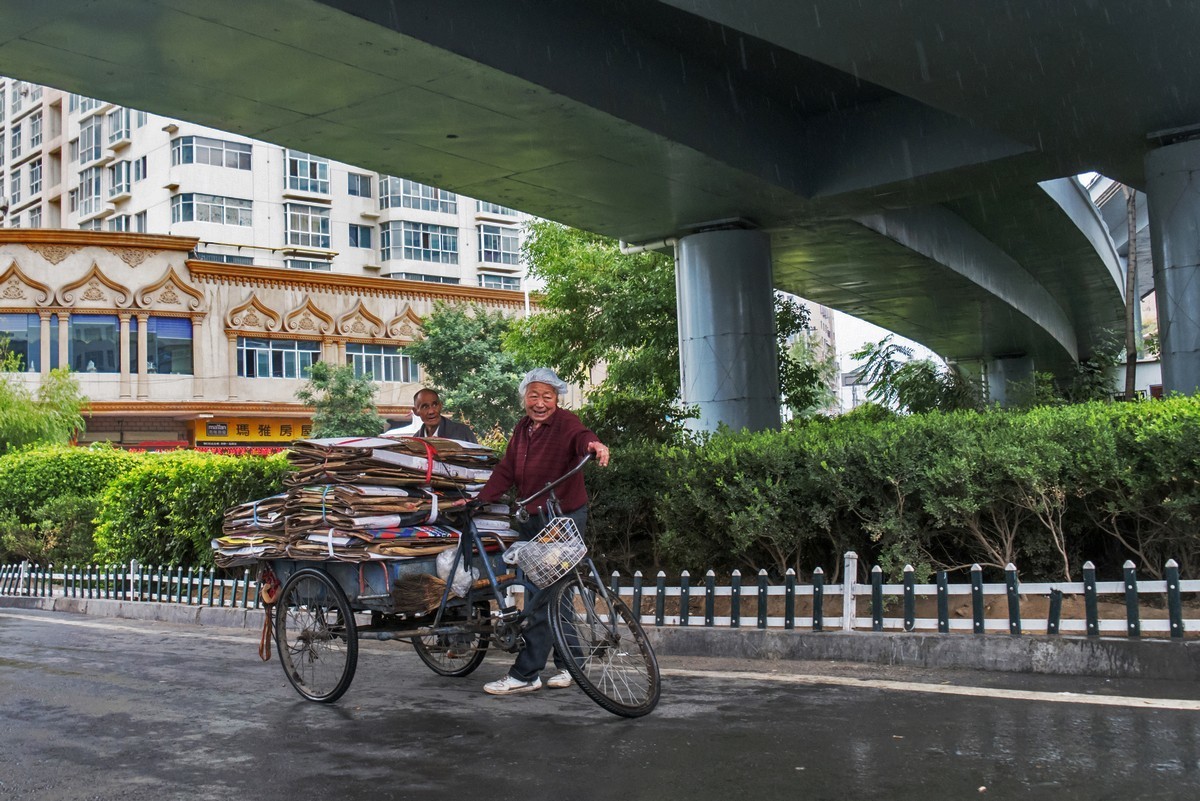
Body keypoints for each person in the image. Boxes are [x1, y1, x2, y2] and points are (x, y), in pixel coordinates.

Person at [474, 367, 610, 696]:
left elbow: (581, 437)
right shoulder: (522, 429)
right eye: (534, 396)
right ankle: (570, 663)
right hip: (532, 515)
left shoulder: (566, 423)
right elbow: (507, 470)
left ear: (556, 399)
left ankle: (526, 673)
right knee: (557, 592)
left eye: (547, 397)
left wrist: (594, 444)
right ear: (524, 398)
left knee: (542, 592)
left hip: (562, 517)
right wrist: (479, 501)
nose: (540, 403)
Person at [383, 388, 478, 443]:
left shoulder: (462, 433)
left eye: (435, 405)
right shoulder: (416, 440)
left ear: (440, 406)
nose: (431, 411)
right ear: (416, 411)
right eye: (425, 407)